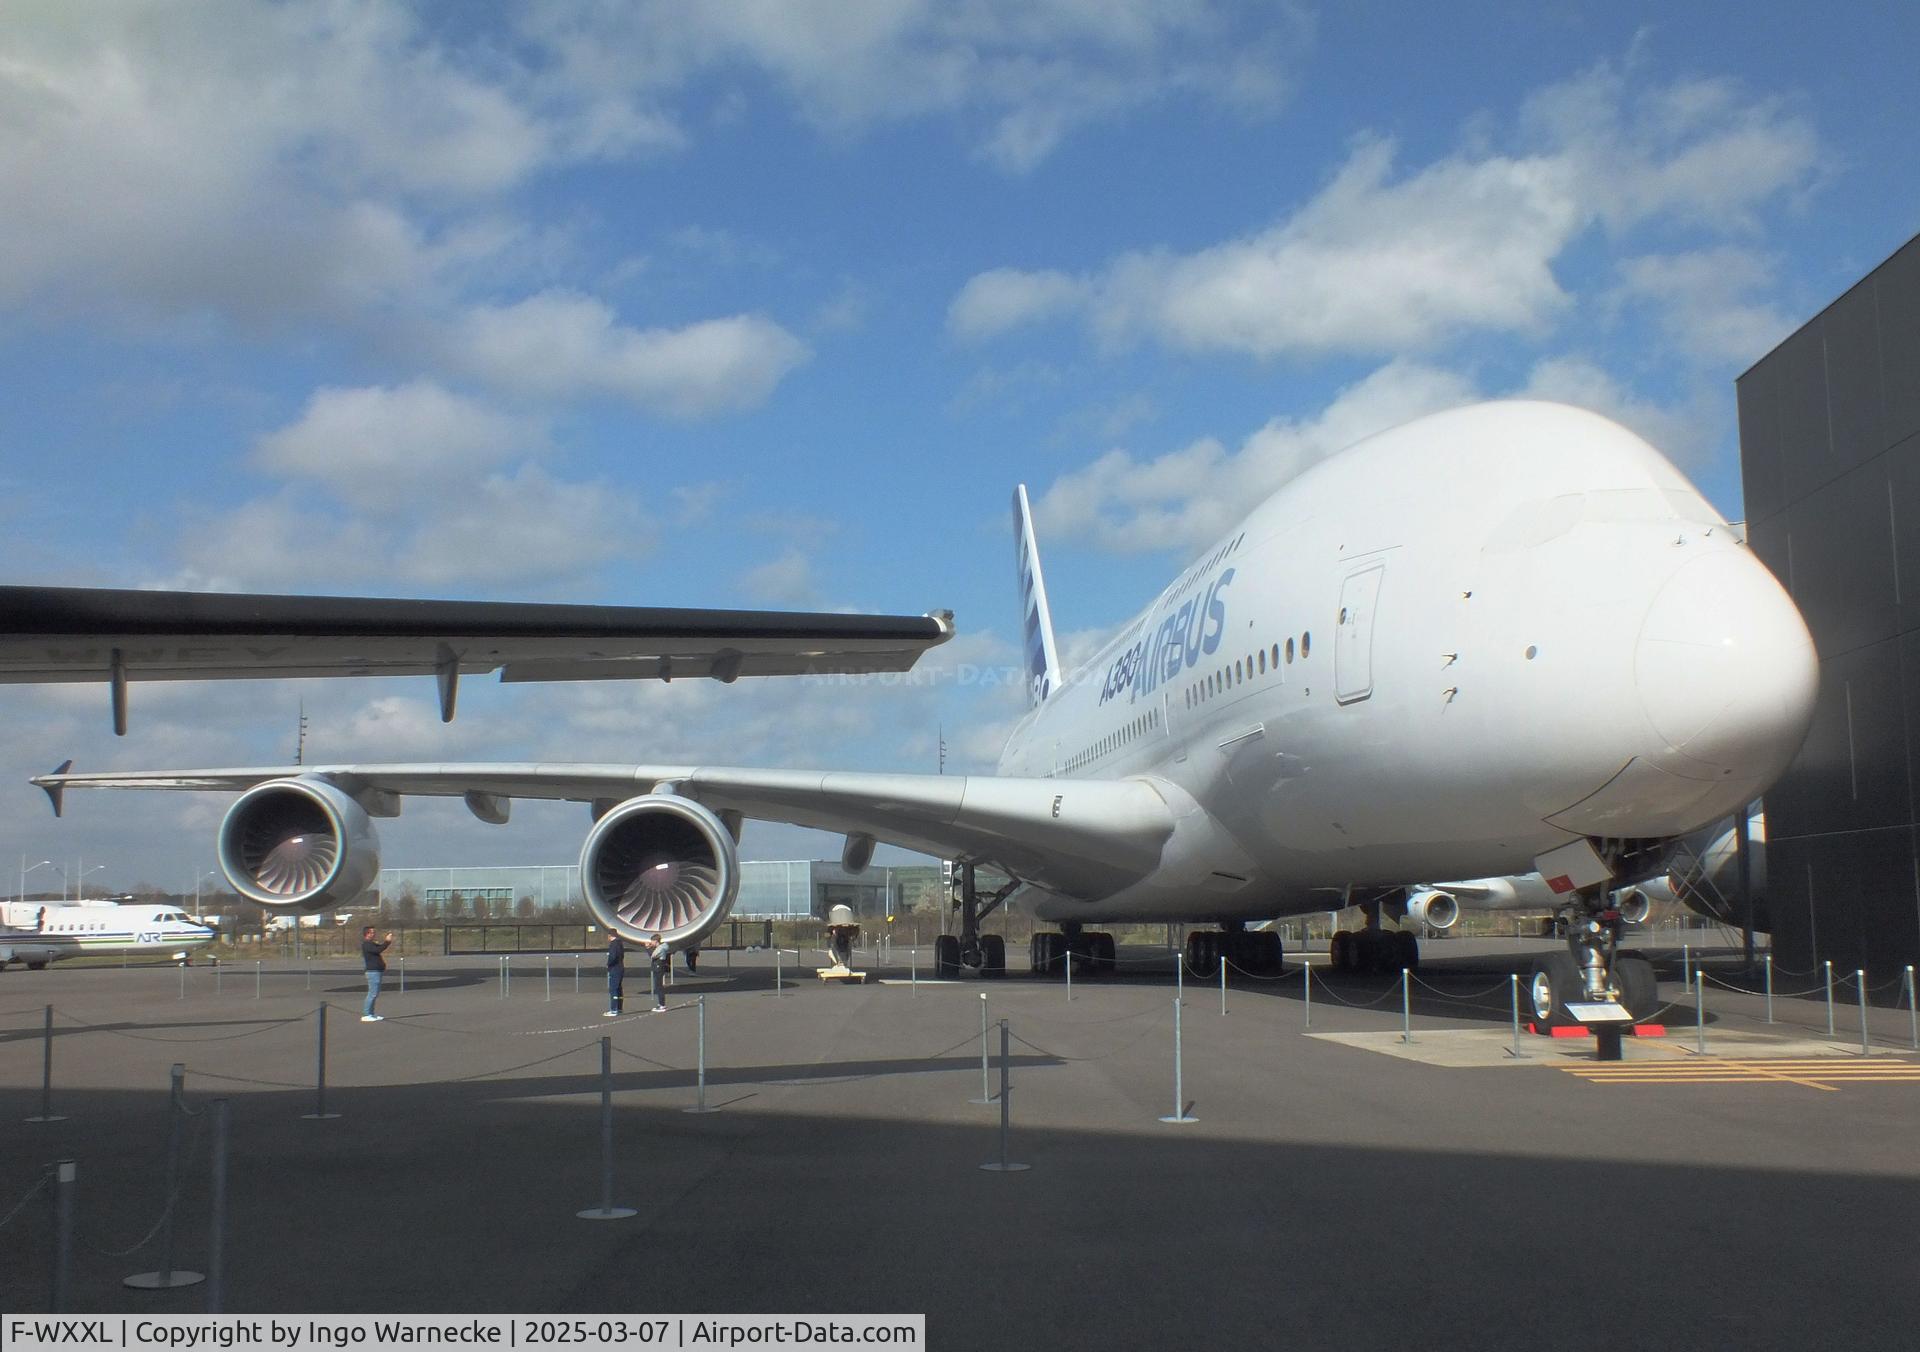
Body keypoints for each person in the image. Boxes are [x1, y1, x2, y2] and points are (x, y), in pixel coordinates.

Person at [360, 925, 394, 1021]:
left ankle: (371, 1013)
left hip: (377, 971)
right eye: (372, 932)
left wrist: (387, 942)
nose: (374, 934)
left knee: (375, 993)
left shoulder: (372, 943)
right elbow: (378, 949)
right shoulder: (366, 944)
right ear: (367, 934)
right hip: (372, 972)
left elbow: (380, 947)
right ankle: (366, 1014)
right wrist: (387, 941)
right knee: (372, 993)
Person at [645, 932, 670, 1012]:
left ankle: (662, 1005)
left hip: (658, 967)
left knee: (659, 987)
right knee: (658, 986)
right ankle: (660, 1003)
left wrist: (648, 948)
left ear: (656, 941)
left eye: (652, 941)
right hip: (658, 967)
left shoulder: (660, 948)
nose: (651, 943)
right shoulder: (660, 947)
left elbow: (652, 955)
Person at [605, 930, 626, 1016]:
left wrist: (608, 964)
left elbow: (613, 956)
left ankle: (614, 1009)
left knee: (613, 989)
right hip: (620, 967)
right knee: (619, 988)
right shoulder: (620, 944)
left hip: (615, 968)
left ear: (610, 935)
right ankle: (619, 1008)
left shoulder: (613, 944)